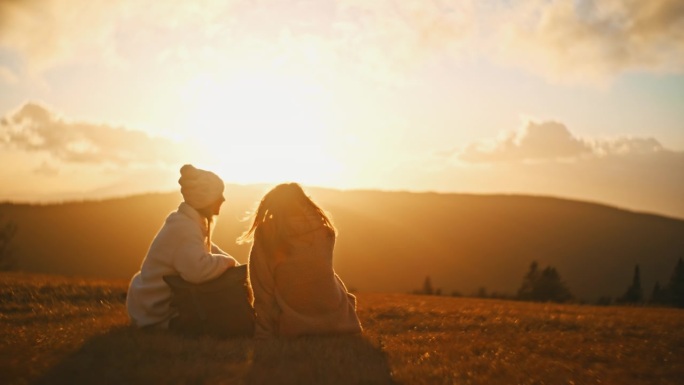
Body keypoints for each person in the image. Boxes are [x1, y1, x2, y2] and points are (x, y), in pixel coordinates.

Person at [238, 183, 362, 338]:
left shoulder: (267, 231)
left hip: (293, 323)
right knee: (330, 277)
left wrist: (264, 332)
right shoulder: (325, 230)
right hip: (336, 318)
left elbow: (263, 286)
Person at [126, 164, 239, 329]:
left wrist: (233, 265)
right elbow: (197, 271)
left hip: (147, 302)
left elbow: (207, 249)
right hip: (155, 312)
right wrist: (229, 263)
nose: (223, 199)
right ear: (205, 199)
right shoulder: (185, 228)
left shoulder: (186, 223)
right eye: (218, 195)